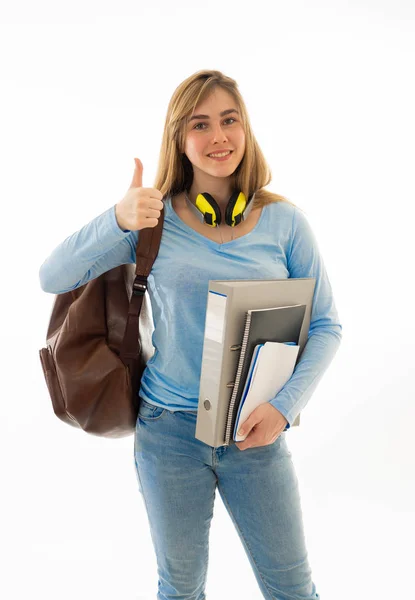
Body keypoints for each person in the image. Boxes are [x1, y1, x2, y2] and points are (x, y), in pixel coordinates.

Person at [39, 69, 342, 600]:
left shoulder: (285, 223)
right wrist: (117, 218)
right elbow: (52, 277)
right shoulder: (152, 222)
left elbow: (325, 324)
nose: (218, 136)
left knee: (292, 588)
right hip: (168, 433)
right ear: (180, 138)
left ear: (245, 130)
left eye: (230, 120)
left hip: (256, 431)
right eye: (200, 124)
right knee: (179, 589)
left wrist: (285, 407)